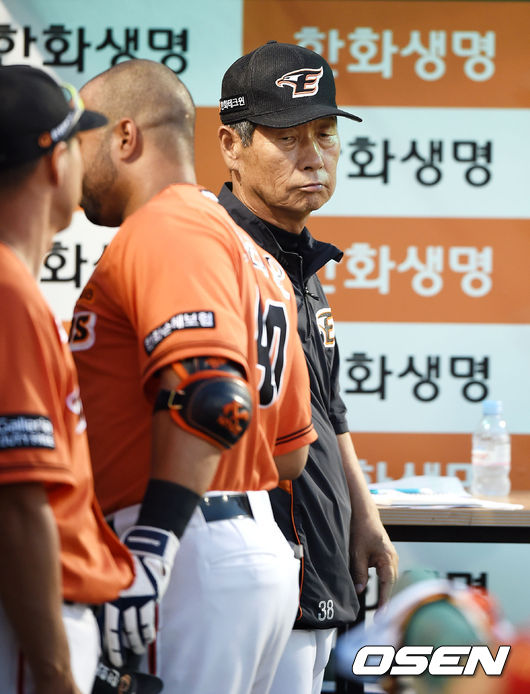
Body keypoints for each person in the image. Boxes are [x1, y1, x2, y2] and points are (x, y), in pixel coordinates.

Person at [70, 58, 317, 694]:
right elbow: (288, 456)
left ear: (125, 136)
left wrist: (154, 545)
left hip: (180, 545)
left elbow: (214, 399)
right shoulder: (251, 251)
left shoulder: (166, 225)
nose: (71, 163)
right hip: (247, 543)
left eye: (82, 140)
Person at [217, 40, 399, 694]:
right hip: (250, 577)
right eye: (288, 137)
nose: (314, 156)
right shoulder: (218, 255)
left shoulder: (301, 256)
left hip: (317, 562)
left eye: (324, 134)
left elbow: (328, 408)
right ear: (231, 145)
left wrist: (362, 513)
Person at [0, 64, 134, 694]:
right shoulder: (9, 295)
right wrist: (55, 672)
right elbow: (17, 503)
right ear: (55, 163)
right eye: (78, 143)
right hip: (30, 626)